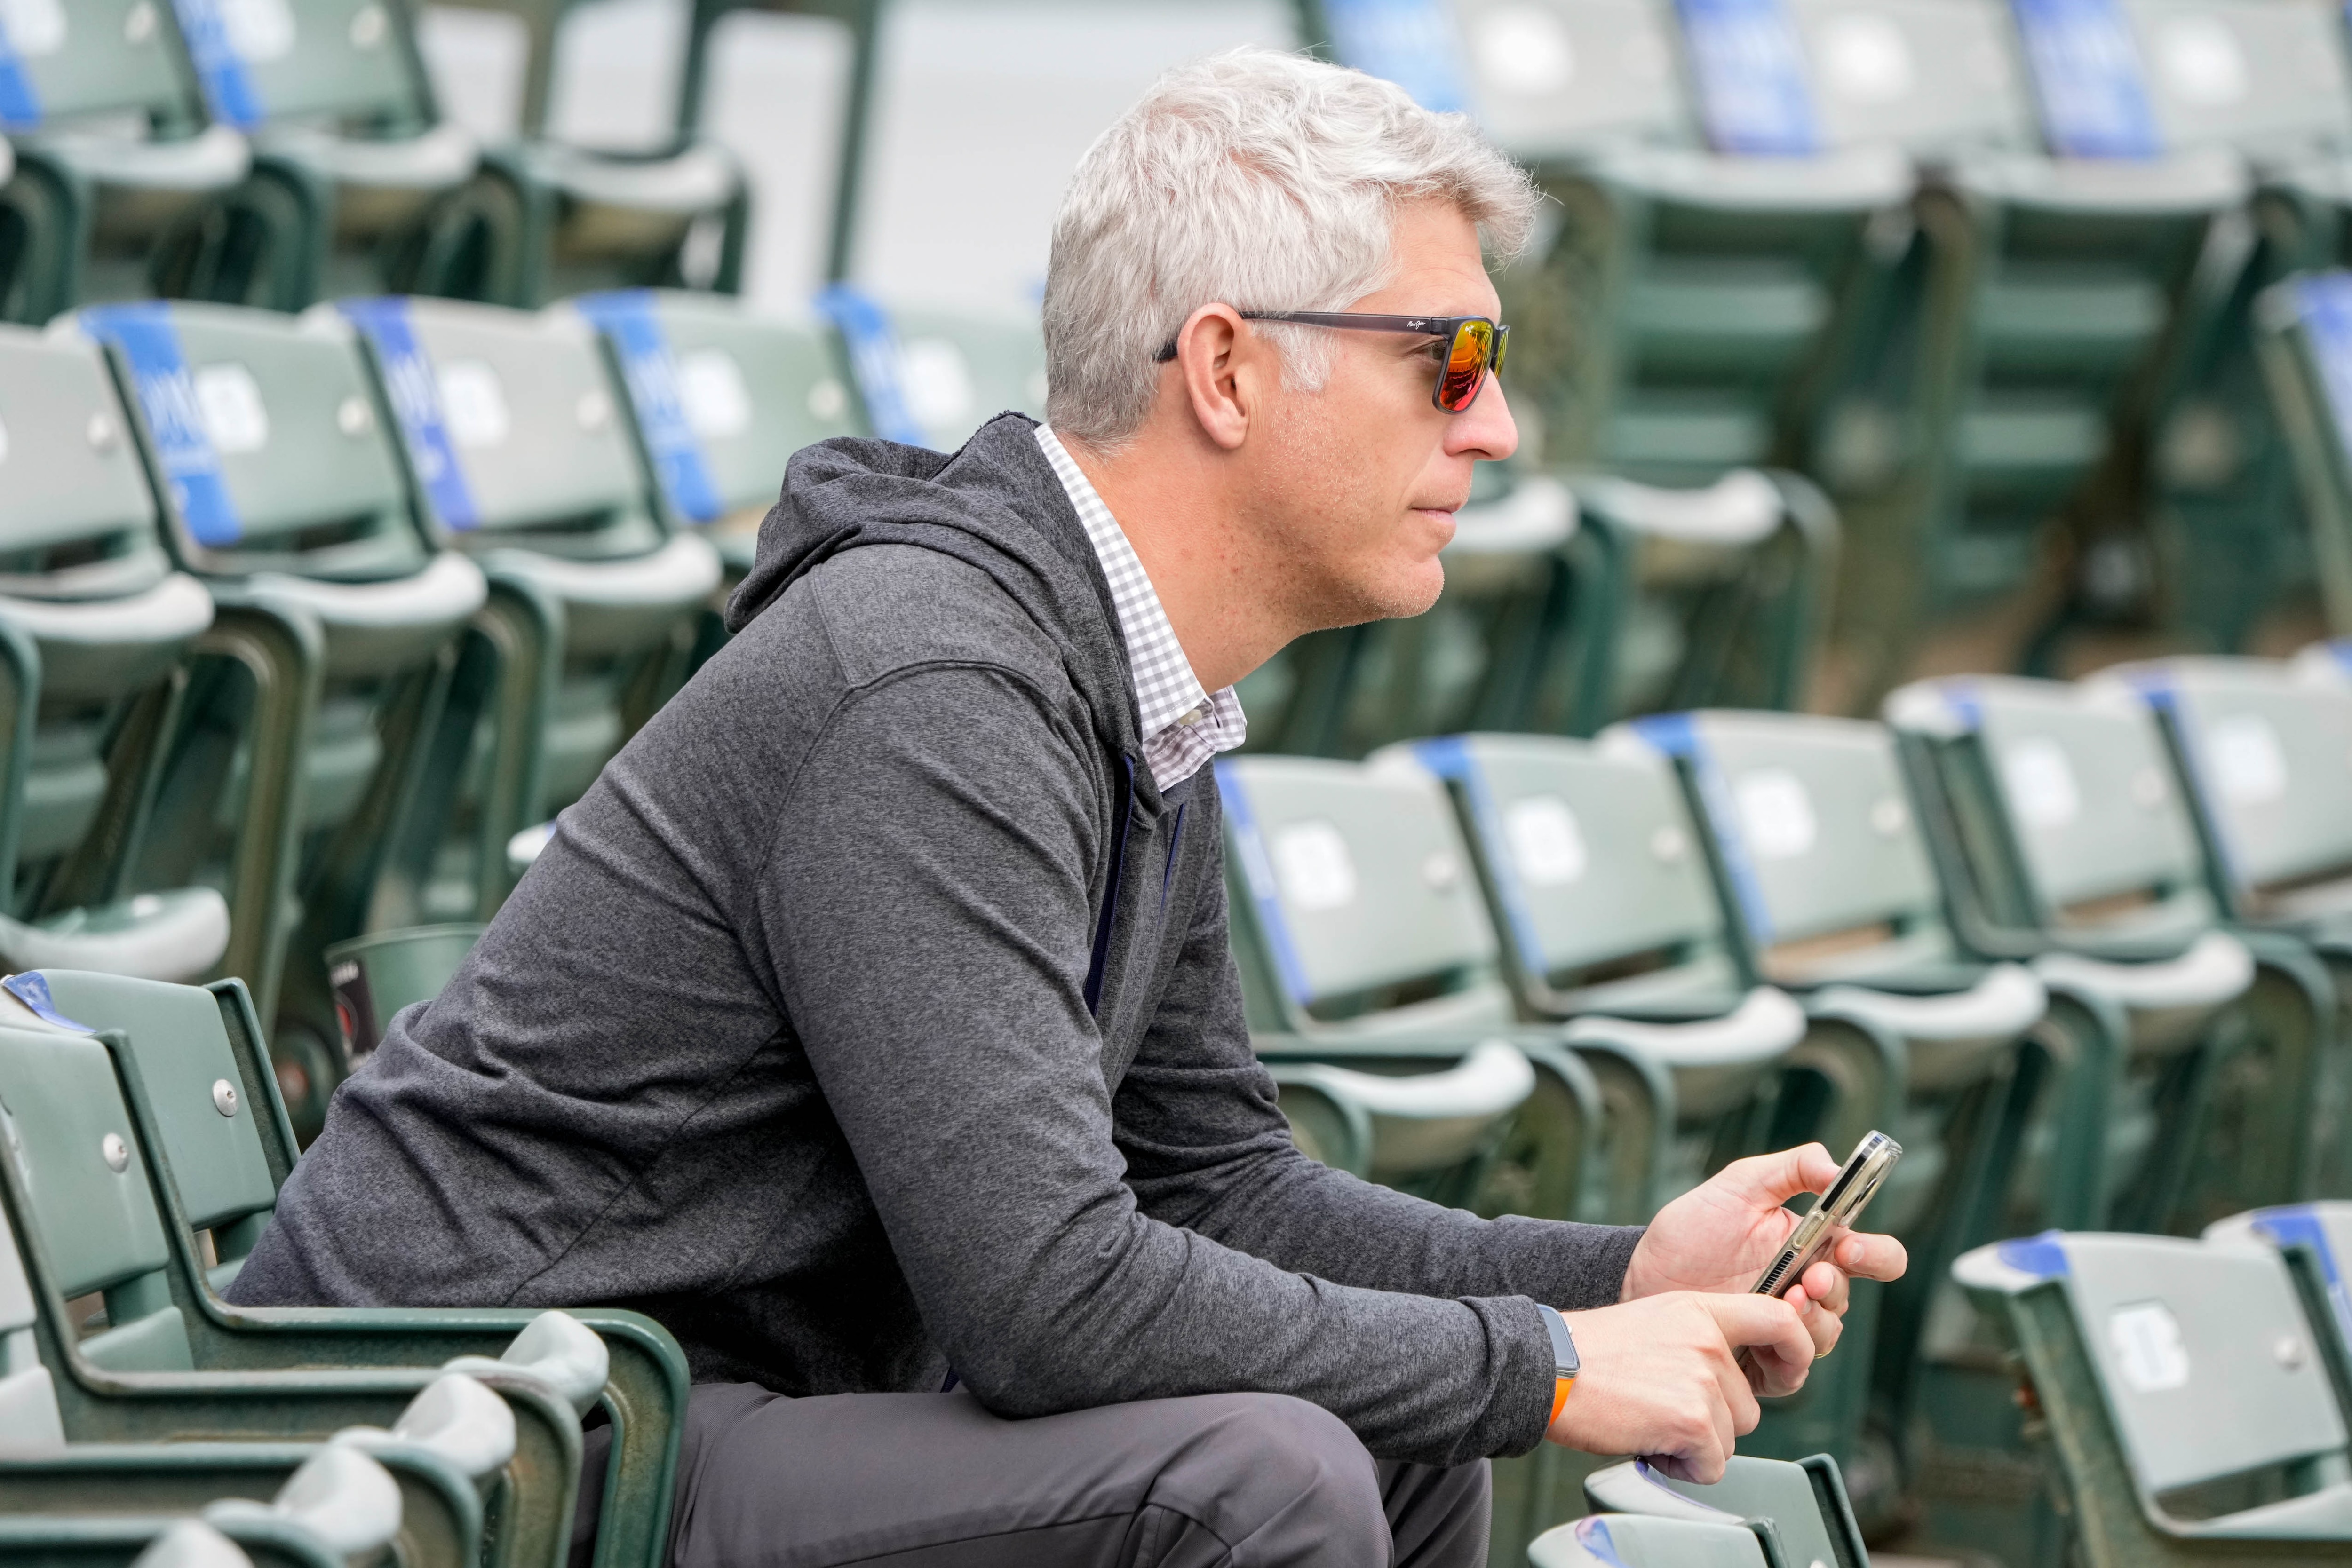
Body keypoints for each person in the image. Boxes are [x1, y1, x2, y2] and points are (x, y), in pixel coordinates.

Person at [229, 46, 1905, 1568]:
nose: (1500, 425)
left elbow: (1214, 1181)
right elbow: (1049, 1301)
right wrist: (1537, 1366)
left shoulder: (1106, 670)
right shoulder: (936, 688)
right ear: (1232, 372)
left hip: (692, 1408)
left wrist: (1616, 1284)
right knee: (1269, 1476)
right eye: (1449, 362)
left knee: (1398, 1446)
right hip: (494, 1447)